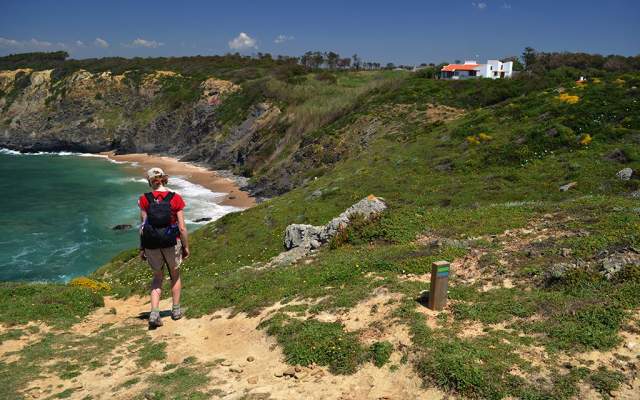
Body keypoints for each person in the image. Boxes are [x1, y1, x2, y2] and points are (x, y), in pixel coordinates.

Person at [138, 167, 190, 328]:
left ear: (150, 181)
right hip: (171, 242)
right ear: (164, 179)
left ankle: (154, 313)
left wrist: (142, 248)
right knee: (175, 275)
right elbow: (182, 227)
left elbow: (142, 227)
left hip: (152, 244)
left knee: (157, 278)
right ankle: (175, 310)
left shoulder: (144, 199)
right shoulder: (175, 198)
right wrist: (186, 247)